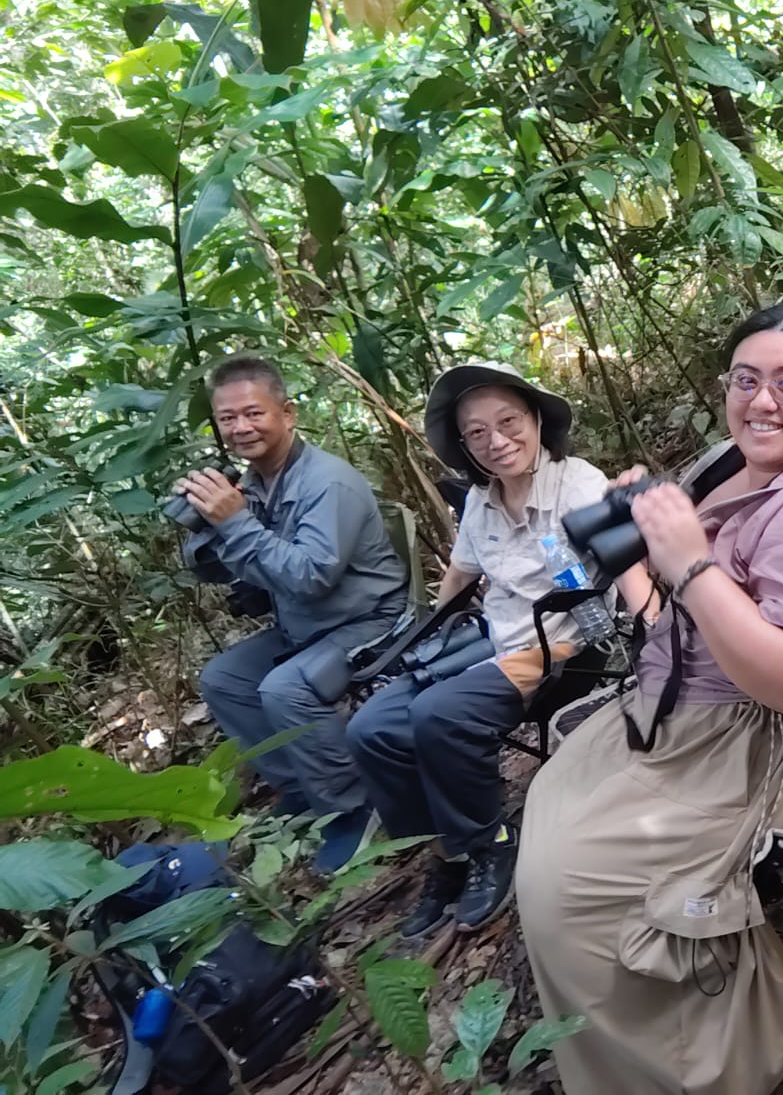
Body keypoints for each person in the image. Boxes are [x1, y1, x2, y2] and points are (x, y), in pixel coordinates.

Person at [515, 304, 783, 1095]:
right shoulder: (738, 460)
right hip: (684, 691)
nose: (762, 401)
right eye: (746, 380)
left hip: (748, 724)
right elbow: (676, 589)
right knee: (550, 809)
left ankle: (717, 1053)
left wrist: (688, 561)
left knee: (563, 891)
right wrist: (653, 523)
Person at [347, 363, 642, 936]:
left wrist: (647, 632)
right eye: (476, 432)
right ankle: (448, 848)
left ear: (535, 419)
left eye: (508, 421)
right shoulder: (481, 502)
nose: (496, 440)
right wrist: (423, 639)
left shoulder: (576, 483)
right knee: (372, 728)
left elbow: (625, 559)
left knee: (440, 715)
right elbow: (459, 576)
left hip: (565, 644)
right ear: (464, 445)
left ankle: (489, 841)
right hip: (495, 639)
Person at [180, 357, 409, 875]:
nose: (240, 428)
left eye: (253, 413)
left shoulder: (326, 482)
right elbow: (230, 573)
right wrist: (206, 525)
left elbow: (310, 576)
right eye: (227, 418)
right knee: (223, 679)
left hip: (370, 620)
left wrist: (235, 523)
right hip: (306, 625)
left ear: (287, 413)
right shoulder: (255, 482)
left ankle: (354, 807)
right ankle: (306, 790)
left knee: (284, 689)